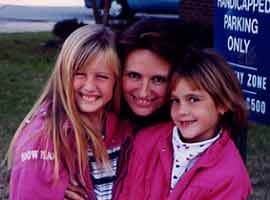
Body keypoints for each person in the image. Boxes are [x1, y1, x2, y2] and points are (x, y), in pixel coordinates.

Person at [8, 24, 131, 200]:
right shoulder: (43, 137)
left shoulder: (122, 128)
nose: (89, 86)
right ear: (63, 74)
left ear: (116, 80)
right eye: (79, 74)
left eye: (102, 77)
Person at [116, 48, 252, 199]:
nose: (182, 111)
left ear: (223, 104)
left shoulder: (230, 175)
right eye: (175, 100)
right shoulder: (146, 141)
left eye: (193, 99)